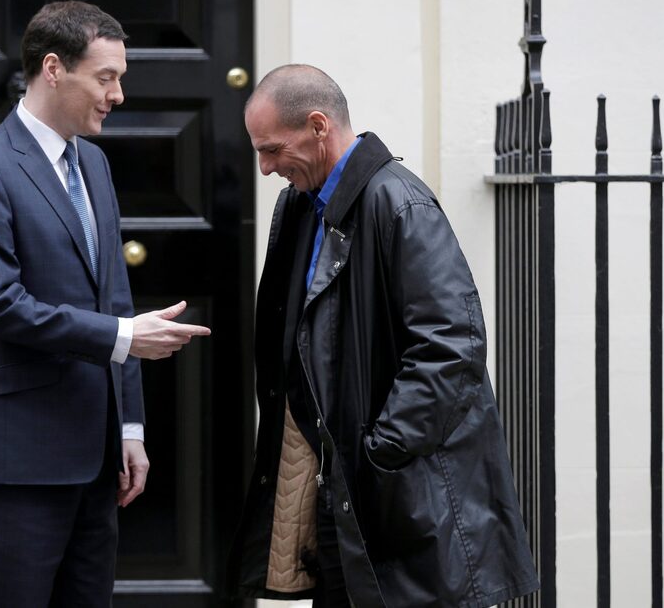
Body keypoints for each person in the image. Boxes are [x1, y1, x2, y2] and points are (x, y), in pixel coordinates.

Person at [227, 64, 539, 607]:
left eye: (273, 150)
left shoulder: (400, 203)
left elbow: (452, 346)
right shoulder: (302, 208)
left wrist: (380, 454)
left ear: (319, 126)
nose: (265, 167)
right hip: (344, 494)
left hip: (398, 500)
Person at [0, 0, 211, 608]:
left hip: (96, 455)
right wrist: (122, 338)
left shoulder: (94, 162)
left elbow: (116, 296)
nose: (117, 96)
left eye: (121, 79)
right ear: (55, 68)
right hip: (14, 460)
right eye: (106, 77)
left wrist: (131, 427)